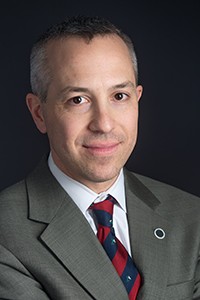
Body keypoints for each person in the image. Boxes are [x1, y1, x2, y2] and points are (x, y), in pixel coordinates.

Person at [0, 15, 200, 300]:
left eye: (119, 96)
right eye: (78, 100)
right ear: (39, 112)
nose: (104, 124)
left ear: (137, 99)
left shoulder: (192, 218)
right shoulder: (6, 235)